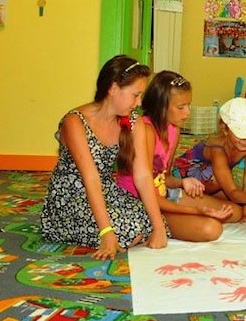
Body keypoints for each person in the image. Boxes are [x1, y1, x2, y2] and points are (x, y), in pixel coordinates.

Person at [40, 55, 166, 260]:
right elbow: (90, 178)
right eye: (135, 95)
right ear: (113, 88)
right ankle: (111, 231)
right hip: (71, 198)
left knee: (153, 220)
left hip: (106, 192)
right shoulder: (75, 121)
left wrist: (158, 227)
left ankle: (127, 231)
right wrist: (106, 233)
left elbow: (143, 175)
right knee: (127, 230)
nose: (139, 102)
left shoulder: (134, 122)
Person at [118, 71, 241, 242]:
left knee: (235, 212)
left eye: (189, 105)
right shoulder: (146, 131)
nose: (188, 112)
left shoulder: (174, 129)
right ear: (162, 107)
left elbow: (164, 177)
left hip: (163, 195)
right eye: (181, 107)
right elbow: (146, 190)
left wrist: (182, 182)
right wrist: (196, 211)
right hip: (142, 202)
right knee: (211, 228)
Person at [172, 97, 246, 223]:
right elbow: (232, 192)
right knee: (236, 210)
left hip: (214, 182)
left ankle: (202, 201)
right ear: (225, 129)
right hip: (187, 179)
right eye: (241, 135)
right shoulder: (217, 149)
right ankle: (185, 200)